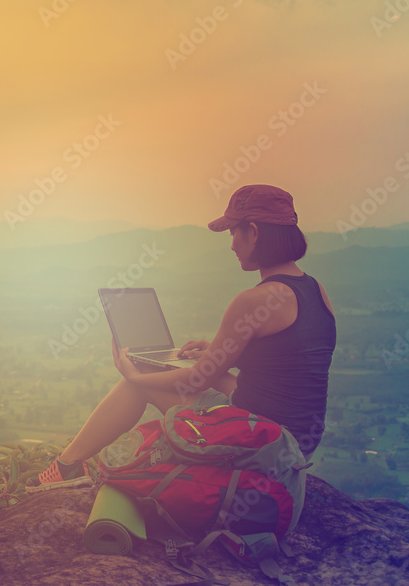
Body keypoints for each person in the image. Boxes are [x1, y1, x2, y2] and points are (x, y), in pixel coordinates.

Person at [28, 184, 337, 491]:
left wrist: (135, 376)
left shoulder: (255, 300)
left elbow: (195, 382)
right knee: (196, 372)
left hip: (262, 444)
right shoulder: (315, 290)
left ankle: (65, 467)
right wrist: (214, 353)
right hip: (296, 443)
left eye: (233, 233)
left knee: (141, 380)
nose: (231, 245)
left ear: (253, 232)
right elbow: (289, 366)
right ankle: (70, 463)